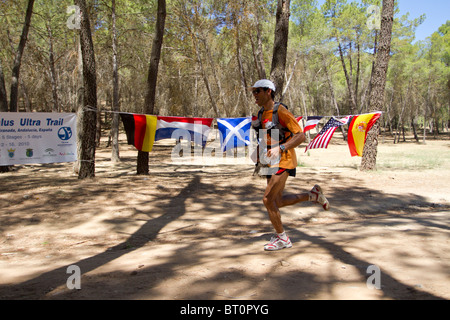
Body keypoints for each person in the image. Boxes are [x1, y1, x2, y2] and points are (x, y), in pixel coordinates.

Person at [250, 79, 330, 251]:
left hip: (284, 158)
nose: (254, 95)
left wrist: (281, 148)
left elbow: (300, 136)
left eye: (257, 91)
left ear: (268, 91)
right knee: (276, 201)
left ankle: (282, 239)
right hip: (269, 159)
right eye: (253, 92)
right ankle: (313, 196)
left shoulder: (281, 111)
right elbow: (265, 136)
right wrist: (258, 152)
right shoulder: (261, 113)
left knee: (267, 199)